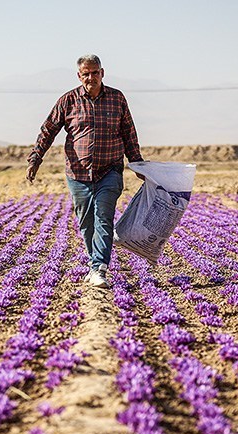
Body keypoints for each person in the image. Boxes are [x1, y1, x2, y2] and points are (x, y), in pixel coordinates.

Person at [26, 54, 144, 289]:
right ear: (79, 76)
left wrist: (137, 162)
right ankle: (94, 263)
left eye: (95, 72)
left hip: (109, 169)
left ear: (102, 72)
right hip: (77, 173)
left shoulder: (116, 98)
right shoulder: (68, 100)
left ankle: (99, 267)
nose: (91, 77)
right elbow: (48, 130)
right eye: (86, 74)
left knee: (103, 216)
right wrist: (36, 158)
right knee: (86, 221)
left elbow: (129, 132)